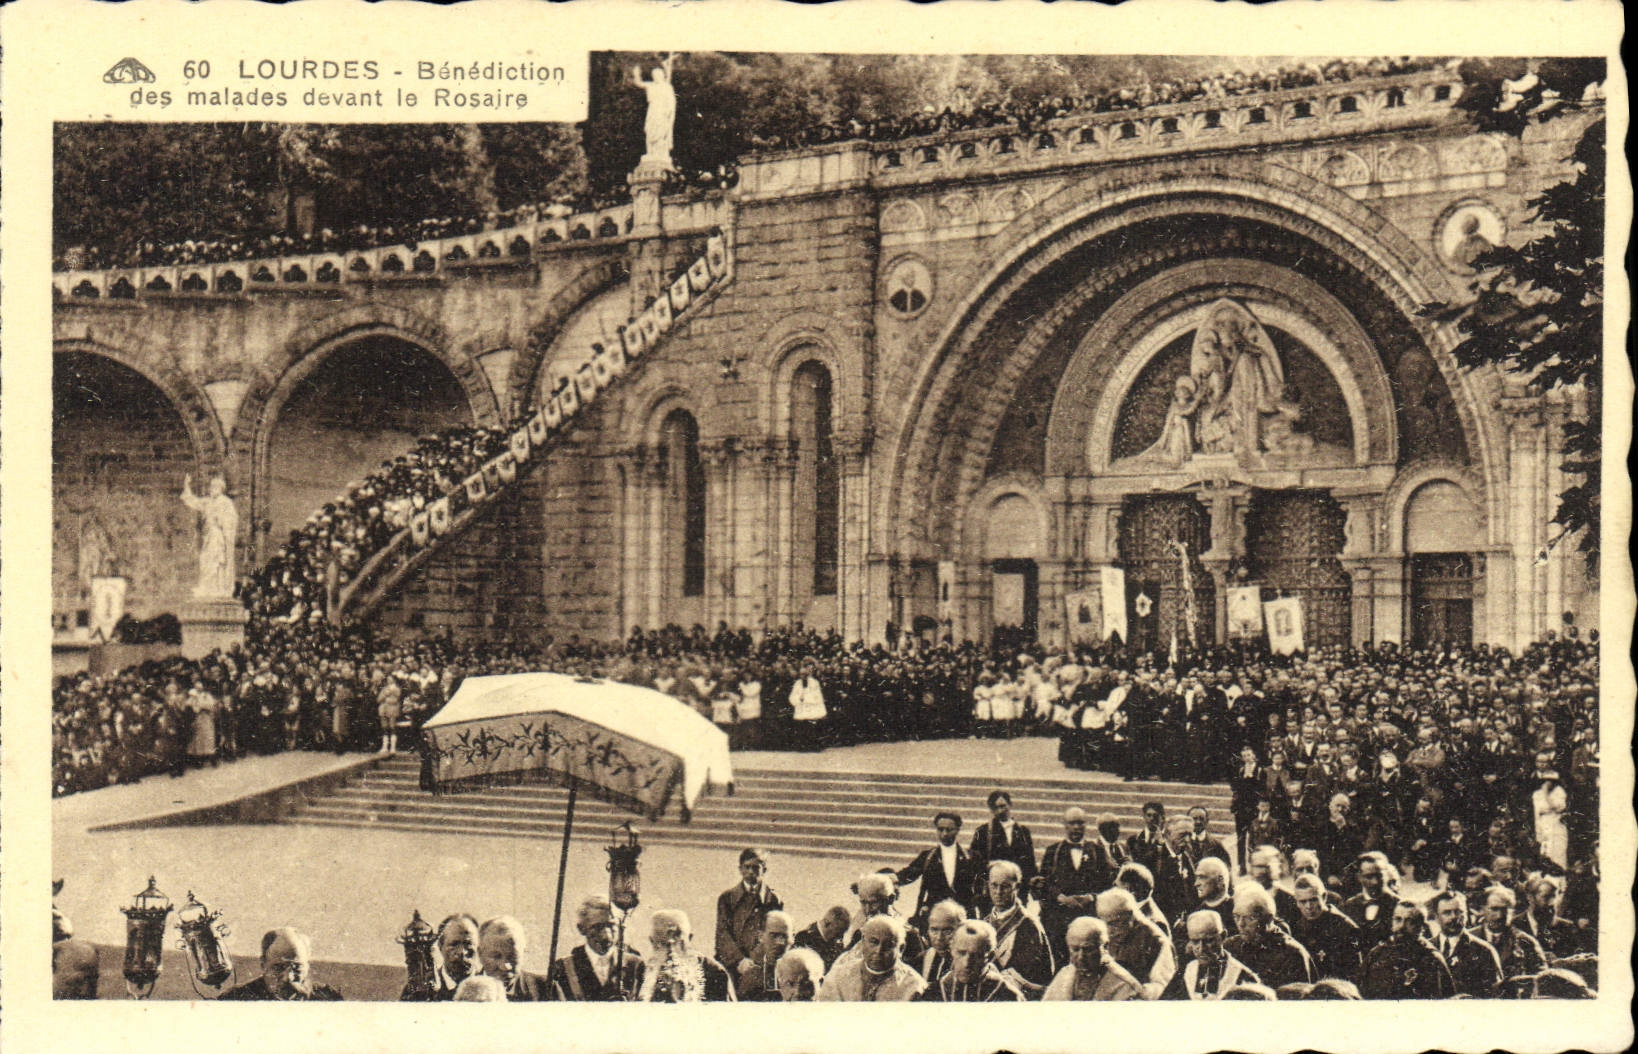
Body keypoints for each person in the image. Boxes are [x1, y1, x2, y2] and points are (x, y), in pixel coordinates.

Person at [1036, 806, 1111, 963]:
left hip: (1088, 915)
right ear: (1065, 825)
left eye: (1080, 823)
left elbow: (1108, 885)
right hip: (1060, 918)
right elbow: (1043, 883)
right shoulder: (1053, 851)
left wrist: (1090, 898)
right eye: (1072, 823)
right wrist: (1060, 897)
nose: (1077, 827)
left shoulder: (1097, 851)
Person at [549, 895, 644, 1002]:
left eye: (611, 926)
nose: (606, 936)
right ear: (581, 929)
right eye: (597, 927)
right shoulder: (563, 969)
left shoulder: (636, 966)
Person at [983, 860, 1054, 997]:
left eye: (1005, 887)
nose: (998, 892)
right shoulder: (985, 922)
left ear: (1018, 887)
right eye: (994, 885)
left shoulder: (1028, 925)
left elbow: (1029, 975)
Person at [897, 810, 981, 924]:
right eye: (940, 829)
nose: (944, 834)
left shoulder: (971, 857)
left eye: (949, 830)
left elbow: (985, 879)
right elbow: (907, 874)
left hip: (964, 916)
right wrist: (888, 878)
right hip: (935, 915)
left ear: (957, 830)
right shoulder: (928, 857)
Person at [1358, 901, 1454, 999]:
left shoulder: (1432, 958)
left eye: (1410, 921)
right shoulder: (1376, 954)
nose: (1401, 926)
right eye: (1398, 919)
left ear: (1423, 927)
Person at [1224, 884, 1314, 989]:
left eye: (1250, 918)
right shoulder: (1230, 947)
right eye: (1236, 916)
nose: (1241, 924)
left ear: (1269, 919)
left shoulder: (1291, 953)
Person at [817, 915, 926, 1001]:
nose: (878, 951)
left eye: (888, 945)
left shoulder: (914, 987)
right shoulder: (838, 977)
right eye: (874, 942)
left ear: (901, 949)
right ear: (863, 942)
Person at [639, 909, 736, 1002]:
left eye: (679, 943)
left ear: (690, 938)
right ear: (652, 941)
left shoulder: (714, 972)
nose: (671, 952)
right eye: (663, 944)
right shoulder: (640, 973)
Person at [219, 928, 343, 1001]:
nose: (288, 977)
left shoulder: (328, 999)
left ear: (307, 966)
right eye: (278, 968)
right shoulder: (236, 999)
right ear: (263, 964)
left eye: (297, 967)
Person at [1096, 887, 1176, 1000]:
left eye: (1115, 923)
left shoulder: (1156, 942)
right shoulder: (1107, 935)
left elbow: (1161, 989)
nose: (1109, 931)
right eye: (1105, 924)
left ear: (1131, 917)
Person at [715, 848, 783, 977]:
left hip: (761, 964)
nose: (750, 872)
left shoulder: (773, 899)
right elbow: (722, 934)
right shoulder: (727, 898)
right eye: (746, 867)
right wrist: (740, 961)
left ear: (764, 870)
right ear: (740, 869)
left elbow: (776, 934)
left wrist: (756, 959)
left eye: (755, 868)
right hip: (732, 963)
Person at [918, 920, 1025, 1002]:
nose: (967, 963)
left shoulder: (1007, 996)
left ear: (990, 956)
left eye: (976, 956)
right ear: (951, 950)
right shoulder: (933, 993)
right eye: (961, 953)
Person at [1042, 917, 1144, 1001]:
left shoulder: (1122, 984)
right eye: (1075, 949)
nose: (1081, 957)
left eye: (1088, 949)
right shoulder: (1064, 975)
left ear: (1105, 947)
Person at [1163, 911, 1259, 1000]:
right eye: (1195, 942)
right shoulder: (1187, 972)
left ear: (1223, 937)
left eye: (1208, 941)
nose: (1201, 949)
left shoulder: (1243, 977)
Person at [1429, 890, 1502, 998]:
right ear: (1436, 917)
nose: (1454, 917)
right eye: (1447, 913)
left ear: (1466, 914)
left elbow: (1496, 996)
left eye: (1459, 912)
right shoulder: (1426, 949)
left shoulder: (1484, 951)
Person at [968, 790, 1038, 903]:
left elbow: (1030, 860)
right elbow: (975, 860)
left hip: (1017, 889)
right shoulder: (983, 831)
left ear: (1010, 805)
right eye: (996, 808)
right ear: (991, 810)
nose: (1000, 810)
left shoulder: (1023, 831)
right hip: (995, 890)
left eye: (1003, 806)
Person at [1288, 874, 1362, 982]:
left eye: (1313, 900)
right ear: (1297, 902)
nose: (1308, 906)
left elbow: (1353, 973)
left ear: (1324, 897)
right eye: (1303, 901)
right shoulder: (1294, 926)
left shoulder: (1345, 927)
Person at [180, 473, 238, 597]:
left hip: (218, 536)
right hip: (208, 535)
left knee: (216, 560)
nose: (212, 489)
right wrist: (187, 485)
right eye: (211, 487)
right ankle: (206, 587)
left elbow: (231, 520)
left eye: (215, 487)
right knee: (205, 560)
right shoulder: (208, 501)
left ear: (221, 488)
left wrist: (221, 520)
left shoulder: (226, 502)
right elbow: (193, 501)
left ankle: (218, 588)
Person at [1473, 885, 1546, 980]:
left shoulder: (1526, 942)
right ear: (1483, 909)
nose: (1499, 916)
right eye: (1494, 909)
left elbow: (1541, 977)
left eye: (1505, 910)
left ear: (1513, 912)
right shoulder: (1470, 938)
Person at [402, 913, 480, 1001]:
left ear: (479, 946)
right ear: (440, 946)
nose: (461, 952)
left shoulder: (492, 987)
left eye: (468, 944)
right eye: (454, 944)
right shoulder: (419, 990)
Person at [476, 915, 551, 1001]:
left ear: (523, 952)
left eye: (513, 956)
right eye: (496, 956)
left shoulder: (545, 989)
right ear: (480, 954)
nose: (505, 966)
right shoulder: (463, 992)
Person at [1516, 874, 1582, 962]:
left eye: (1554, 897)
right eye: (1546, 897)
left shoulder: (1567, 928)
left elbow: (1576, 960)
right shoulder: (1515, 925)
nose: (1552, 903)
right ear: (1530, 897)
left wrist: (1558, 961)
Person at [733, 910, 792, 1001]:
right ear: (760, 936)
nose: (779, 942)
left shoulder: (800, 972)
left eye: (784, 936)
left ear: (793, 938)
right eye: (773, 936)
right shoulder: (751, 975)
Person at [1343, 852, 1395, 954]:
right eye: (1369, 876)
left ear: (1387, 875)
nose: (1375, 882)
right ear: (1359, 877)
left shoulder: (1398, 905)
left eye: (1379, 876)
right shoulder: (1350, 906)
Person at [919, 900, 966, 983]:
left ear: (961, 930)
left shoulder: (969, 963)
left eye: (947, 931)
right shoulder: (924, 958)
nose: (939, 937)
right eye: (934, 930)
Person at [793, 905, 851, 971]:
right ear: (827, 923)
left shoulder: (836, 946)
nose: (840, 937)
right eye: (838, 932)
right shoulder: (804, 939)